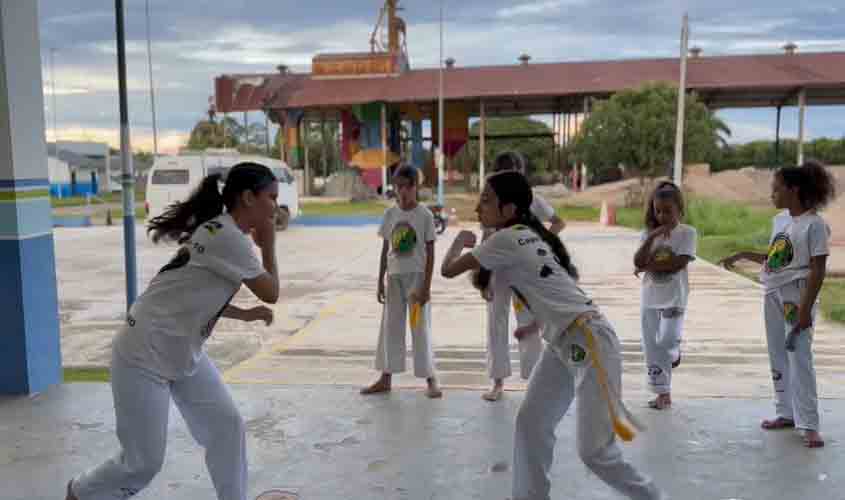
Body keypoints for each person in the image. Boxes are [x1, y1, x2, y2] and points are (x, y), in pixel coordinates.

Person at [442, 171, 665, 500]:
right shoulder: (526, 235)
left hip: (588, 340)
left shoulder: (504, 240)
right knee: (531, 422)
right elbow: (549, 289)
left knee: (595, 452)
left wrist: (460, 241)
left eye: (486, 200)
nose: (478, 208)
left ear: (509, 209)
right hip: (564, 342)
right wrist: (535, 326)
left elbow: (448, 270)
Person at [66, 162, 283, 500]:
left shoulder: (220, 232)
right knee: (142, 463)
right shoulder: (228, 238)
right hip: (144, 353)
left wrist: (244, 314)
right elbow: (272, 291)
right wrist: (268, 244)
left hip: (180, 350)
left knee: (226, 426)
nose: (276, 207)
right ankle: (81, 493)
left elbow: (190, 292)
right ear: (247, 198)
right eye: (272, 197)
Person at [720, 161, 837, 448]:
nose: (772, 194)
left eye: (776, 189)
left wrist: (806, 310)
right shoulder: (784, 223)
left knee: (800, 358)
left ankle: (809, 424)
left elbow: (817, 269)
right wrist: (743, 255)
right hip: (772, 294)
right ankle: (785, 412)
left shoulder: (815, 224)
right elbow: (776, 257)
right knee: (778, 354)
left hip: (795, 298)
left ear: (793, 190)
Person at [477, 151, 566, 401]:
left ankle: (534, 382)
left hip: (527, 271)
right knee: (496, 322)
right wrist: (483, 278)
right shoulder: (490, 203)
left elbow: (558, 222)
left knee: (528, 324)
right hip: (497, 269)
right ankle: (497, 382)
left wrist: (542, 243)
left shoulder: (533, 199)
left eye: (517, 171)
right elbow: (485, 240)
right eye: (507, 172)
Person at [361, 165, 442, 398]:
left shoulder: (425, 215)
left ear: (417, 187)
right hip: (393, 278)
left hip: (416, 280)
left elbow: (430, 252)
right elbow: (385, 248)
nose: (403, 191)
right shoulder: (390, 214)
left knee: (420, 328)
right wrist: (379, 281)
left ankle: (431, 379)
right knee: (390, 328)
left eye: (408, 186)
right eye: (399, 187)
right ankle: (386, 378)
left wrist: (426, 286)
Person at [633, 181, 697, 410]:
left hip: (674, 297)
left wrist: (647, 266)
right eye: (657, 210)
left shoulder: (687, 233)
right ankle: (663, 394)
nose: (662, 216)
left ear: (680, 209)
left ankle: (674, 351)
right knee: (652, 347)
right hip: (650, 299)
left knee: (667, 340)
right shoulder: (647, 235)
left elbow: (678, 263)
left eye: (667, 210)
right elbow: (637, 261)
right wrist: (652, 238)